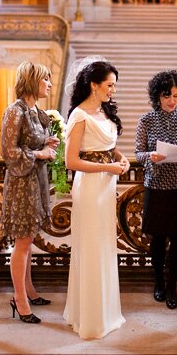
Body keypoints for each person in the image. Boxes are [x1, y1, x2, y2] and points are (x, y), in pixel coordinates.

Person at [63, 59, 130, 339]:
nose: (113, 90)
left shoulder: (104, 111)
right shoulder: (79, 116)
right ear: (94, 85)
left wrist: (119, 157)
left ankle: (107, 312)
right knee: (91, 248)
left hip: (106, 186)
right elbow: (72, 161)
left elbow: (107, 147)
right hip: (90, 187)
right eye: (109, 85)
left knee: (104, 246)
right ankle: (90, 318)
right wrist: (107, 168)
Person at [1, 61, 60, 324]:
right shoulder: (16, 111)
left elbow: (31, 141)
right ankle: (20, 299)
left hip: (35, 180)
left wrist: (47, 142)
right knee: (23, 242)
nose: (49, 84)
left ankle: (29, 290)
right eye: (45, 79)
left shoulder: (36, 110)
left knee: (28, 240)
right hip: (21, 184)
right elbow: (9, 152)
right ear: (33, 81)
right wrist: (40, 152)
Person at [135, 70, 177, 309]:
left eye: (175, 95)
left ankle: (173, 285)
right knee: (159, 238)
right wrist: (150, 156)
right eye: (166, 96)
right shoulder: (147, 120)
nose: (172, 100)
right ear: (157, 96)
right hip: (158, 186)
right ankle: (159, 282)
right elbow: (139, 153)